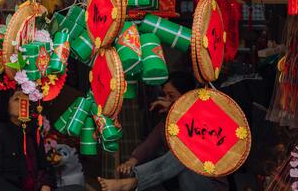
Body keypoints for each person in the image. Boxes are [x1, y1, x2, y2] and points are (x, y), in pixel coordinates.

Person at [97, 71, 228, 191]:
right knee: (152, 167)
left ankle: (133, 182)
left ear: (186, 96)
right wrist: (132, 161)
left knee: (184, 152)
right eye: (164, 95)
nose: (166, 99)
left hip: (209, 185)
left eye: (171, 96)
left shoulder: (202, 117)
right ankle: (135, 181)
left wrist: (174, 108)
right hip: (180, 182)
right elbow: (150, 145)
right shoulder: (168, 120)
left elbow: (194, 141)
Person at [0, 89, 56, 191]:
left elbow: (44, 166)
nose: (23, 102)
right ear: (4, 104)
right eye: (16, 99)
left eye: (26, 97)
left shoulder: (32, 130)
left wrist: (45, 185)